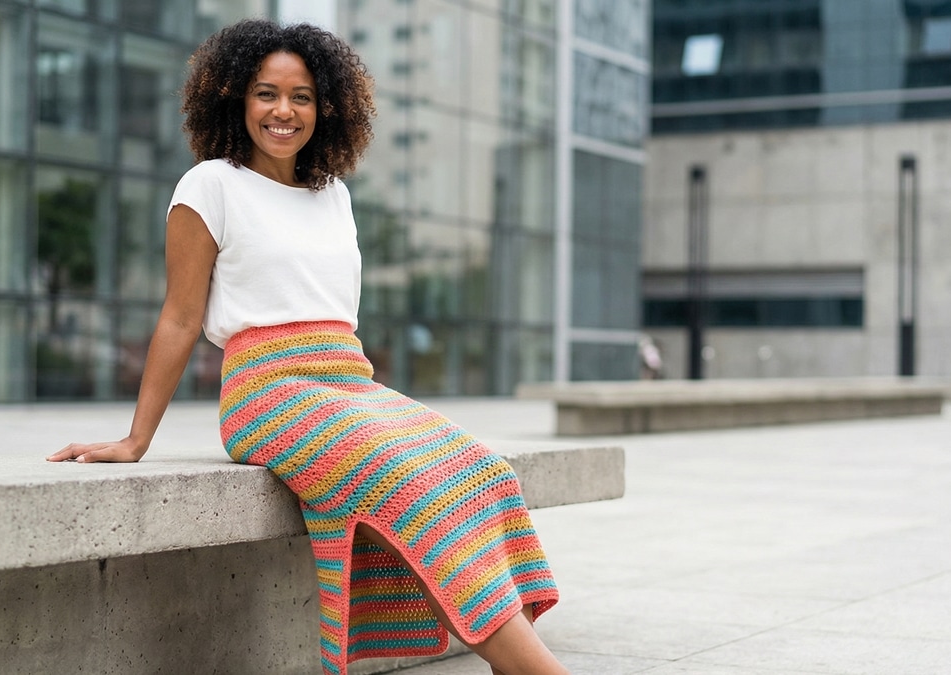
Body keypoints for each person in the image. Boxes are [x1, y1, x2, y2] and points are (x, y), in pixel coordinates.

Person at [47, 19, 566, 675]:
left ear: (327, 108)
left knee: (483, 467)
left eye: (302, 96)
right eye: (266, 93)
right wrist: (135, 438)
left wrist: (368, 400)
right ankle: (532, 668)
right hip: (266, 393)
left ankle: (510, 658)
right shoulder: (210, 185)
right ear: (236, 98)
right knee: (404, 478)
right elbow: (180, 318)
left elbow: (331, 310)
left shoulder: (335, 195)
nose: (283, 111)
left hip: (348, 381)